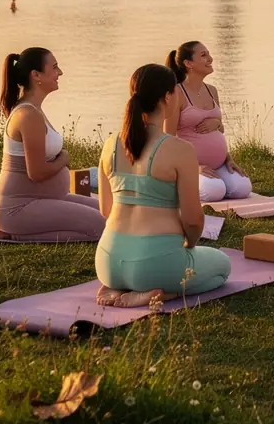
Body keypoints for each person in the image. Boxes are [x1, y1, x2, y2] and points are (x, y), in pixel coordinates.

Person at [96, 64, 232, 308]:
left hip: (107, 261)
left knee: (189, 264)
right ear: (168, 97)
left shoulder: (110, 144)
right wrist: (188, 247)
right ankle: (161, 293)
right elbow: (193, 220)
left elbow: (106, 210)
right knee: (222, 267)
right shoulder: (179, 150)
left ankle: (121, 286)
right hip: (154, 264)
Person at [0, 48, 106, 242]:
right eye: (54, 68)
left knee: (110, 214)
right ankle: (14, 234)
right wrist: (64, 159)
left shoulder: (34, 110)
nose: (59, 73)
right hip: (17, 208)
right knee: (103, 228)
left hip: (43, 199)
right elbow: (36, 173)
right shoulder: (28, 115)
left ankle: (18, 231)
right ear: (35, 75)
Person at [163, 41, 252, 203]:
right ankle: (180, 184)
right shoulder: (176, 93)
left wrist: (228, 159)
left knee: (243, 188)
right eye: (204, 55)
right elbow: (167, 139)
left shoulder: (212, 90)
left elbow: (220, 130)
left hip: (219, 164)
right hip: (189, 167)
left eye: (209, 54)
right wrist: (193, 168)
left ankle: (216, 181)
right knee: (214, 192)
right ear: (188, 63)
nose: (210, 59)